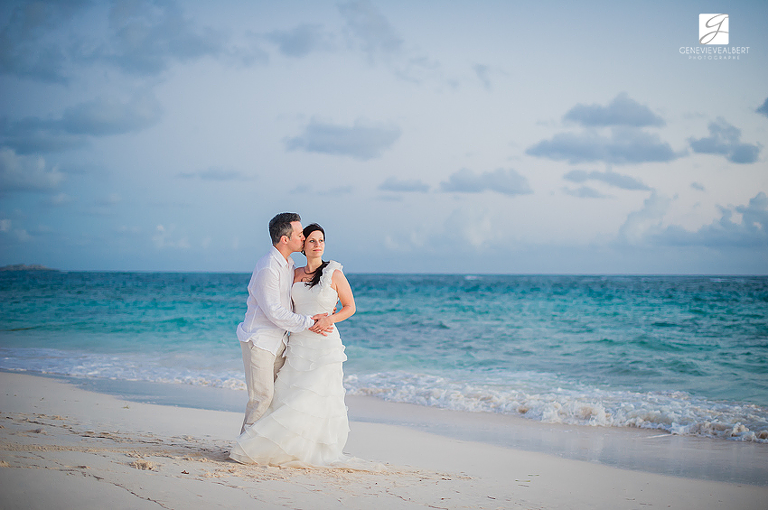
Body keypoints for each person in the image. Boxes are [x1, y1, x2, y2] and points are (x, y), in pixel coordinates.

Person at [230, 223, 356, 467]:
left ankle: (309, 447)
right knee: (287, 397)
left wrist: (330, 317)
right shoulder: (293, 273)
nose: (317, 245)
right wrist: (308, 319)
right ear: (303, 246)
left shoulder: (335, 273)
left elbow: (350, 307)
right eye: (311, 240)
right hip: (298, 342)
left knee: (317, 398)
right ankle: (255, 445)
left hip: (324, 344)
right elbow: (280, 308)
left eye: (321, 241)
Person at [235, 213, 334, 435]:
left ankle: (260, 443)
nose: (304, 237)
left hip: (279, 340)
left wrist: (323, 307)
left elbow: (292, 301)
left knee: (277, 396)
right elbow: (274, 312)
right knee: (261, 397)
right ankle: (244, 447)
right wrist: (310, 321)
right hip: (259, 340)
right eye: (300, 235)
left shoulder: (289, 265)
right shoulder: (268, 267)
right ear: (285, 240)